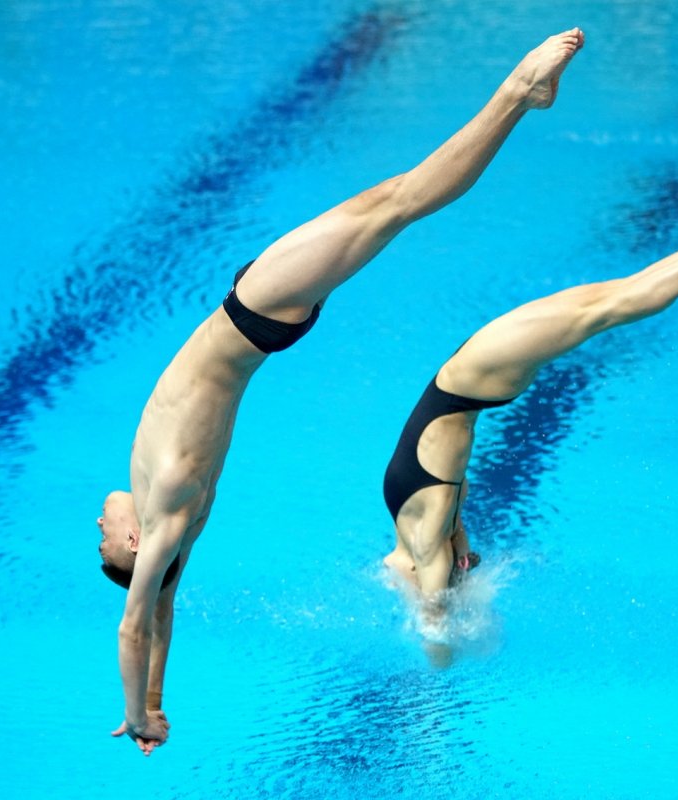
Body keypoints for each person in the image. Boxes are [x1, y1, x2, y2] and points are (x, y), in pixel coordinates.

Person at [95, 29, 587, 755]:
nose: (97, 526)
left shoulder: (169, 537)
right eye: (103, 541)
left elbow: (160, 614)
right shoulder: (166, 509)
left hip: (257, 324)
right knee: (402, 198)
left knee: (399, 202)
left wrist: (158, 702)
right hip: (252, 314)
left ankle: (521, 97)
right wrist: (135, 713)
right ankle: (520, 92)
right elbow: (137, 623)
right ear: (134, 540)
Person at [382, 204, 678, 633]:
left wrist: (440, 642)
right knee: (614, 298)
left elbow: (434, 615)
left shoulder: (429, 539)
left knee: (618, 303)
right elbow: (448, 533)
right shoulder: (412, 514)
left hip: (481, 375)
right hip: (472, 367)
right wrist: (458, 562)